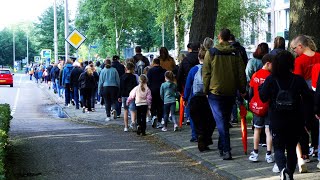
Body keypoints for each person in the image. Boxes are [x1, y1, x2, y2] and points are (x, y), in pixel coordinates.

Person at [259, 50, 313, 179]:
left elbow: (263, 97)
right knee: (291, 148)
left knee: (278, 147)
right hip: (295, 119)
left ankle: (282, 170)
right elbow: (308, 97)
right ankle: (289, 172)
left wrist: (261, 88)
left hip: (277, 119)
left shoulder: (271, 79)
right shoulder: (297, 79)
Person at [203, 28, 246, 160]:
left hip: (215, 92)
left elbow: (206, 74)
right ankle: (222, 147)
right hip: (230, 91)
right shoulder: (236, 53)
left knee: (221, 122)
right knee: (224, 119)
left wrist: (205, 90)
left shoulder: (211, 53)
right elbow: (241, 73)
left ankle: (226, 149)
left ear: (219, 37)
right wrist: (242, 89)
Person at [291, 35, 320, 165]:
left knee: (303, 123)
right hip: (318, 93)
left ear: (300, 46)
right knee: (316, 122)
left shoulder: (299, 61)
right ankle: (316, 147)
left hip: (305, 95)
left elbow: (298, 80)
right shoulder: (319, 56)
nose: (294, 51)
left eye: (294, 48)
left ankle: (304, 153)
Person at [184, 45, 215, 152]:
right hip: (208, 98)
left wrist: (185, 98)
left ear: (198, 58)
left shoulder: (193, 70)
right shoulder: (211, 69)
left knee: (197, 120)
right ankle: (206, 139)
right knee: (209, 121)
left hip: (195, 98)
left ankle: (199, 135)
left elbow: (188, 85)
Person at [248, 54, 274, 163]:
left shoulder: (255, 75)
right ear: (268, 63)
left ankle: (255, 153)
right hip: (268, 106)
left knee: (257, 129)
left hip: (257, 106)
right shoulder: (271, 76)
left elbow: (250, 91)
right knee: (268, 130)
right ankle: (269, 154)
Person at [147, 58, 166, 128]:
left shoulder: (150, 71)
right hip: (161, 89)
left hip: (152, 90)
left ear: (153, 63)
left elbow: (148, 81)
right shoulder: (163, 71)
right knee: (160, 105)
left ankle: (153, 116)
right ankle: (159, 120)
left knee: (153, 104)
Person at [119, 62, 138, 132]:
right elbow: (135, 86)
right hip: (131, 95)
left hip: (124, 95)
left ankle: (126, 127)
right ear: (133, 69)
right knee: (133, 110)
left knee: (125, 110)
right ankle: (133, 122)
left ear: (126, 68)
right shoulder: (133, 77)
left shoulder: (122, 77)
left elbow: (120, 87)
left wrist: (119, 96)